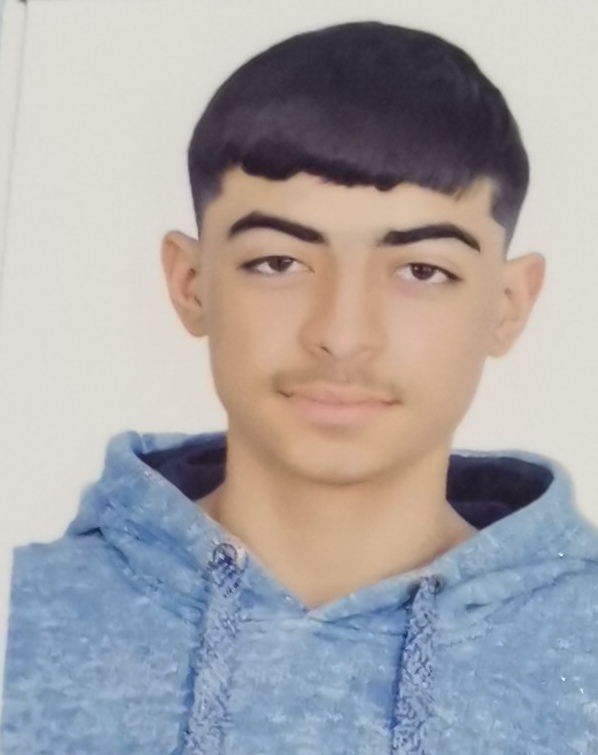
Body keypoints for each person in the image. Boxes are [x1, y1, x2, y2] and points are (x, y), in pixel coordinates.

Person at [2, 18, 598, 755]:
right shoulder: (22, 617)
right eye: (278, 263)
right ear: (190, 284)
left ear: (507, 306)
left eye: (422, 270)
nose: (342, 335)